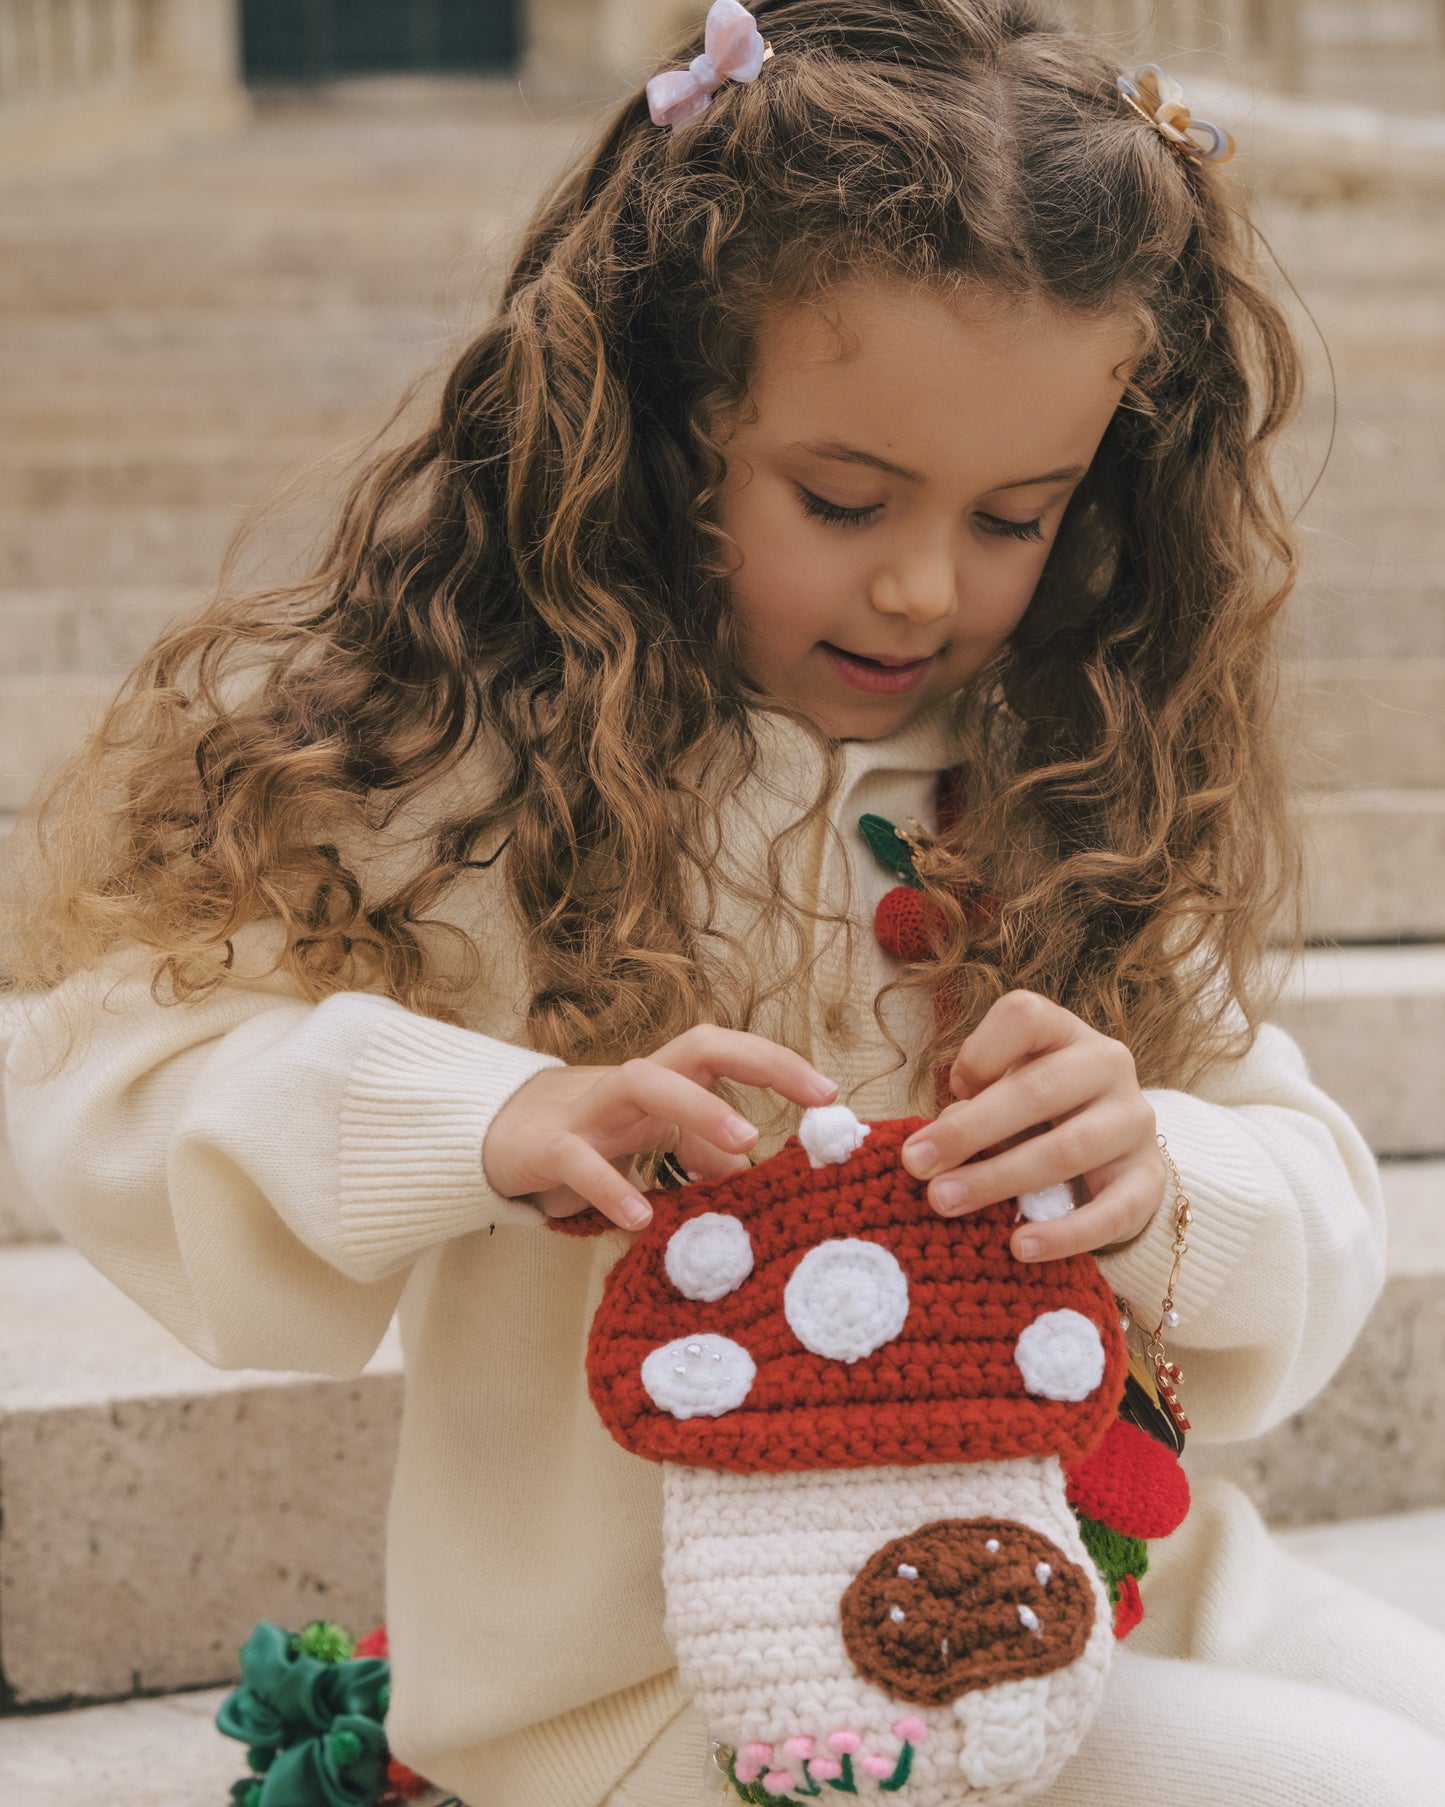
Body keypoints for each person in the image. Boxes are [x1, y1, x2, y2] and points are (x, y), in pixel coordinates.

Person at [3, 1, 1443, 1801]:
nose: (921, 587)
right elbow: (105, 1065)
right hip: (675, 1685)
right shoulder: (466, 778)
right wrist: (484, 1118)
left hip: (1092, 1576)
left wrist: (1157, 1170)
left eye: (1013, 518)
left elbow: (1310, 1194)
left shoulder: (1060, 778)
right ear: (665, 423)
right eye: (841, 500)